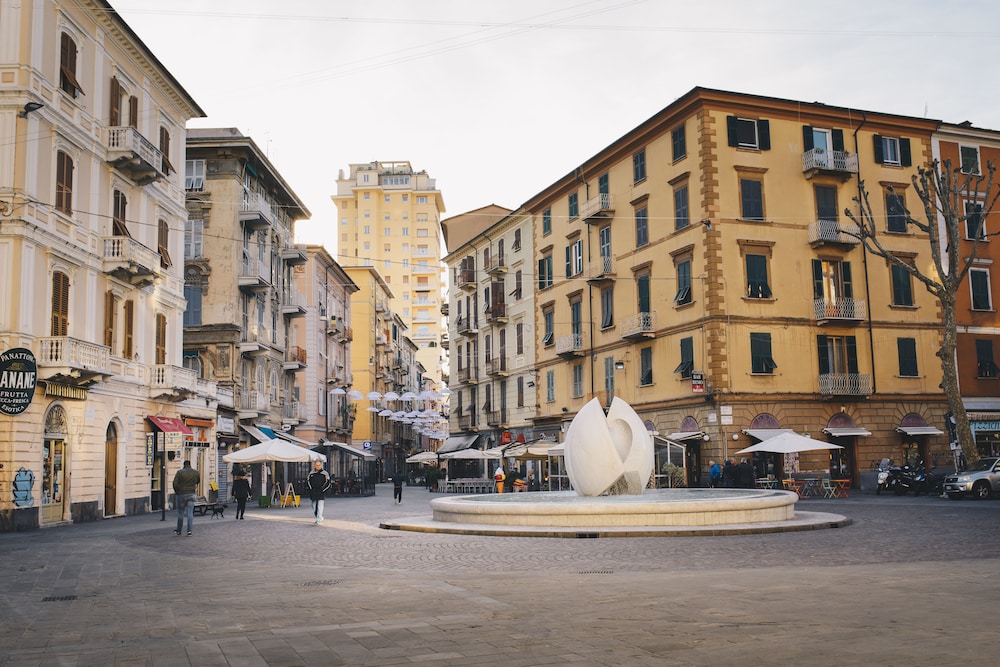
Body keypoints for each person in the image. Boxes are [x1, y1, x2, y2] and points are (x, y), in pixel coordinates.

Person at [172, 460, 200, 536]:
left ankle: (179, 530)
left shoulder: (180, 472)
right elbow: (198, 481)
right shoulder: (195, 472)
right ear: (190, 465)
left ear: (184, 465)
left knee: (180, 513)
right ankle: (189, 530)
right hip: (191, 493)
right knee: (190, 513)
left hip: (181, 494)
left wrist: (177, 491)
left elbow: (175, 483)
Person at [306, 460, 332, 524]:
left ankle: (319, 518)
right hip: (314, 491)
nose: (318, 466)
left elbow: (328, 483)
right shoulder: (311, 473)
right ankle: (318, 516)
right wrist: (311, 490)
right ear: (314, 465)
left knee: (320, 505)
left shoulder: (325, 473)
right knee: (313, 505)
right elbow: (308, 482)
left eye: (319, 465)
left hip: (321, 491)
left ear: (321, 465)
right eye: (317, 465)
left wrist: (323, 490)